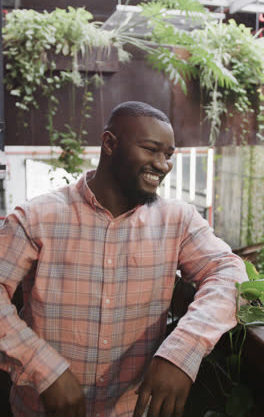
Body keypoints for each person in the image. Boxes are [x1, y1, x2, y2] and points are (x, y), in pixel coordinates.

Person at [0, 101, 247, 417]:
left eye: (168, 155)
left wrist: (183, 349)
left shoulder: (178, 220)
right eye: (151, 150)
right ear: (109, 144)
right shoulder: (36, 217)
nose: (162, 164)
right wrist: (42, 368)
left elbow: (229, 272)